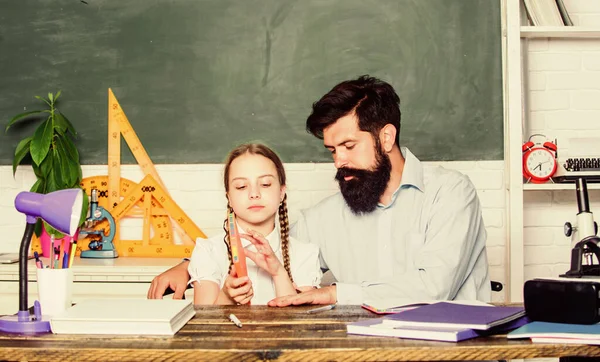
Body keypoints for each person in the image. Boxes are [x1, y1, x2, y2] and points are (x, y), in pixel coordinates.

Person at [147, 76, 490, 306]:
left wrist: (334, 294)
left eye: (349, 145)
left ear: (386, 138)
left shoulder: (451, 193)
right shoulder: (326, 216)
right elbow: (265, 244)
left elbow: (435, 287)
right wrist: (188, 267)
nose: (339, 161)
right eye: (331, 150)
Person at [185, 143, 321, 305]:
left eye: (265, 184)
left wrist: (279, 273)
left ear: (282, 192)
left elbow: (300, 326)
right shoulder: (208, 251)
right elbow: (204, 325)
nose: (254, 194)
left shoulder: (305, 253)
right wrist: (226, 297)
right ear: (229, 196)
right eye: (241, 186)